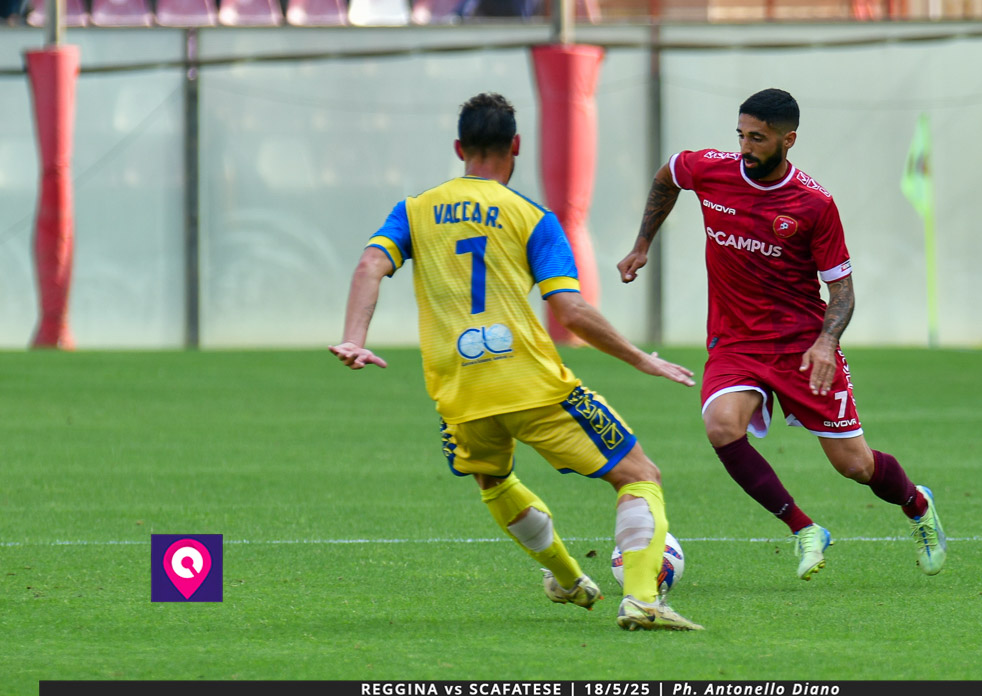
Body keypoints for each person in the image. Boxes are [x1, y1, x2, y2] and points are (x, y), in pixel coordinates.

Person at [330, 93, 702, 631]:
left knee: (494, 482)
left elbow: (370, 263)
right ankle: (643, 598)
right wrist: (639, 358)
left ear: (459, 147)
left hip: (461, 393)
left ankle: (570, 580)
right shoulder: (533, 217)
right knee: (639, 475)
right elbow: (569, 310)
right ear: (517, 147)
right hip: (533, 386)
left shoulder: (414, 209)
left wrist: (354, 337)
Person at [617, 88, 947, 580]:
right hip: (735, 341)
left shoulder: (813, 205)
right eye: (742, 136)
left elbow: (842, 293)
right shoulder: (711, 169)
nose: (746, 148)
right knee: (721, 427)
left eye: (759, 138)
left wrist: (825, 342)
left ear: (788, 140)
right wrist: (642, 243)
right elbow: (668, 176)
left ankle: (917, 504)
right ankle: (804, 528)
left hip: (800, 344)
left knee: (854, 465)